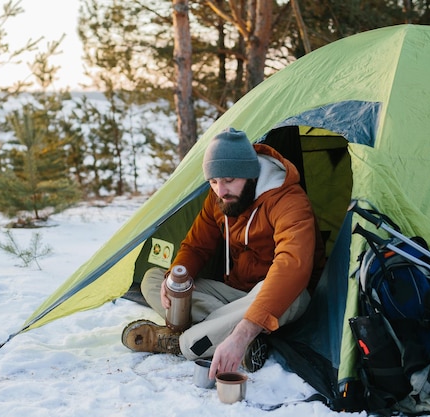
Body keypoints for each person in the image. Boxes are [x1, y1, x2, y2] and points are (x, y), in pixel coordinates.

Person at [121, 127, 326, 379]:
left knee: (190, 344)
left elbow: (291, 267)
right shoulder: (219, 198)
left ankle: (188, 340)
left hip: (283, 295)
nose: (221, 190)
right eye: (214, 181)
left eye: (229, 180)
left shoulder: (289, 201)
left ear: (251, 176)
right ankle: (230, 334)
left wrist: (243, 330)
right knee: (155, 279)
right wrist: (176, 278)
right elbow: (196, 246)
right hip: (234, 295)